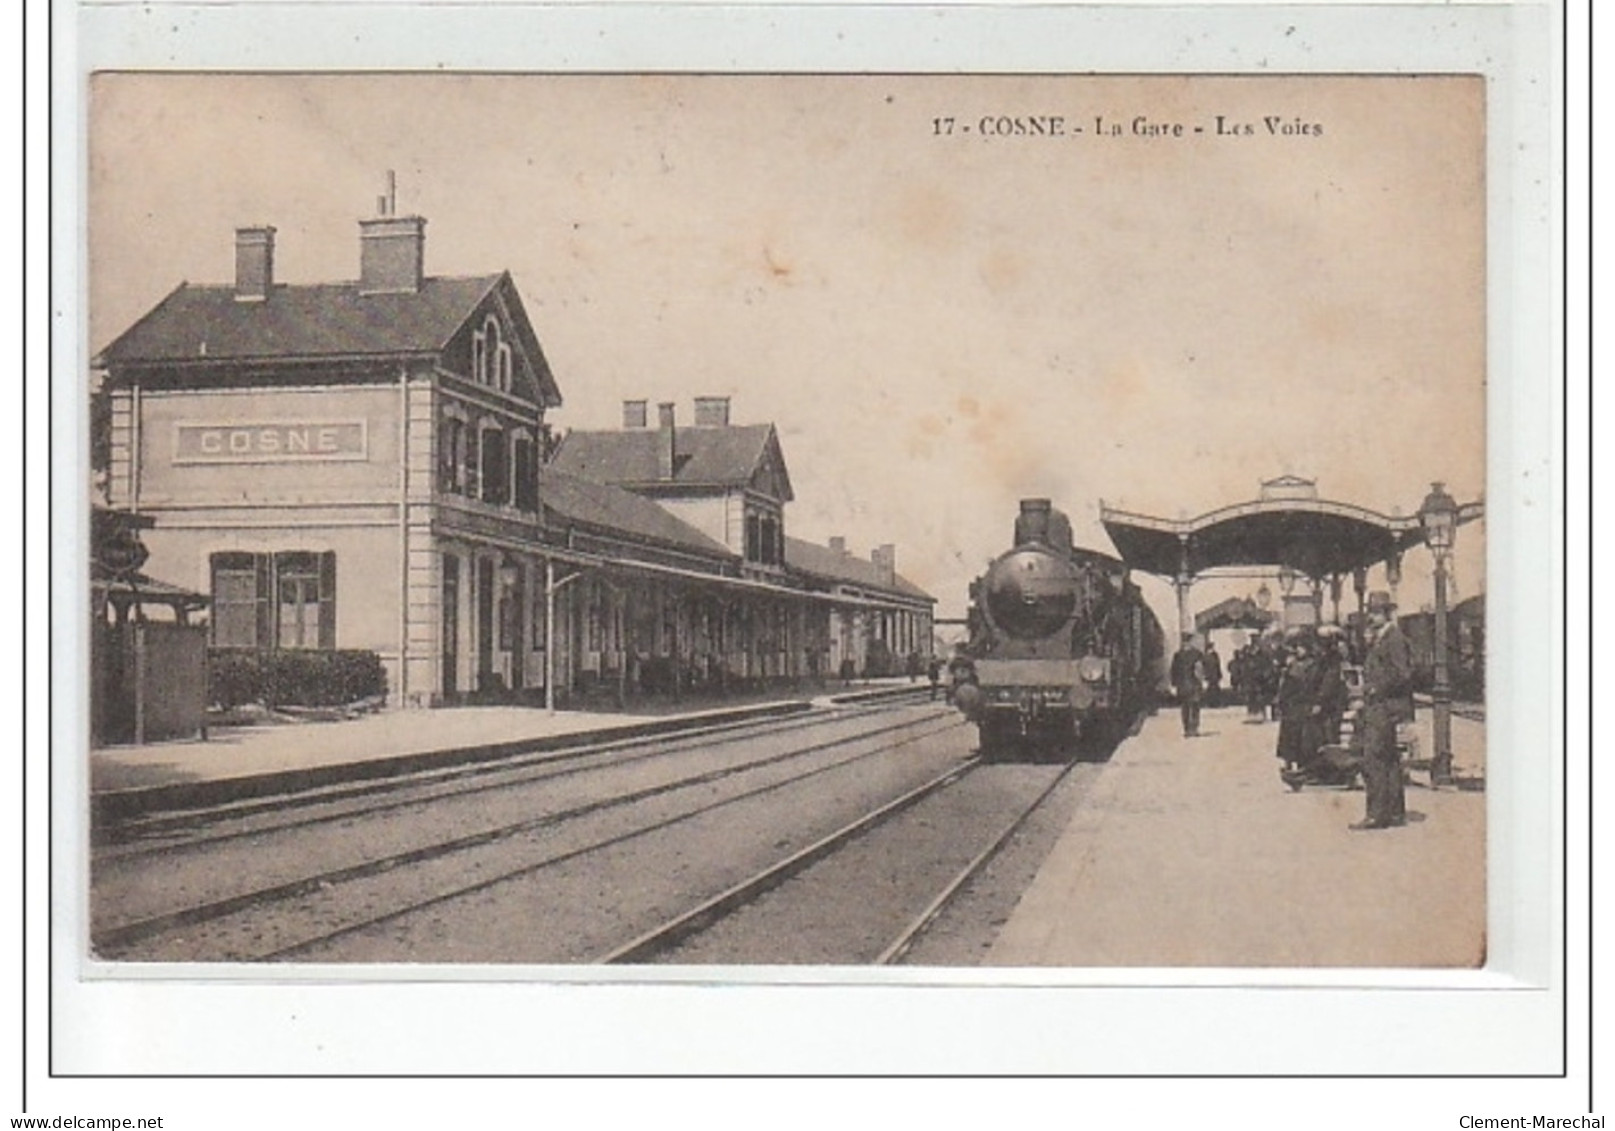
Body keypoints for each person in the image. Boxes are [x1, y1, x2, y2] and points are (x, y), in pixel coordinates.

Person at [1352, 592, 1414, 830]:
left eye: (1376, 612)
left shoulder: (1393, 638)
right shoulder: (1383, 637)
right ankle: (1395, 812)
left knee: (1374, 758)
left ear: (1387, 613)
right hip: (1384, 705)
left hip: (1385, 706)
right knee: (1389, 759)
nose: (1371, 616)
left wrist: (1376, 688)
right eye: (1371, 611)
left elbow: (1403, 673)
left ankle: (1377, 814)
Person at [1273, 632, 1317, 771]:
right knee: (1288, 734)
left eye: (1301, 647)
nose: (1298, 649)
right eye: (1297, 647)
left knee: (1300, 736)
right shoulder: (1292, 665)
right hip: (1290, 704)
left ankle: (1301, 764)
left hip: (1302, 704)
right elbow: (1285, 686)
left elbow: (1309, 685)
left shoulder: (1312, 665)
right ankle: (1288, 762)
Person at [1169, 635, 1206, 738]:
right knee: (1195, 707)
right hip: (1194, 684)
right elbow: (1200, 669)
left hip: (1182, 685)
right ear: (1191, 642)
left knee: (1184, 707)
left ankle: (1186, 729)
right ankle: (1194, 728)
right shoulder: (1197, 654)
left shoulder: (1177, 655)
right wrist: (1202, 680)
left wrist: (1173, 685)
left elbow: (1173, 671)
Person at [1202, 641, 1224, 707]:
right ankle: (1212, 703)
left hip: (1213, 675)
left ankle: (1214, 703)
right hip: (1212, 675)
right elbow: (1206, 666)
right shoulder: (1207, 656)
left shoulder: (1213, 655)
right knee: (1213, 689)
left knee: (1214, 689)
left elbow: (1217, 665)